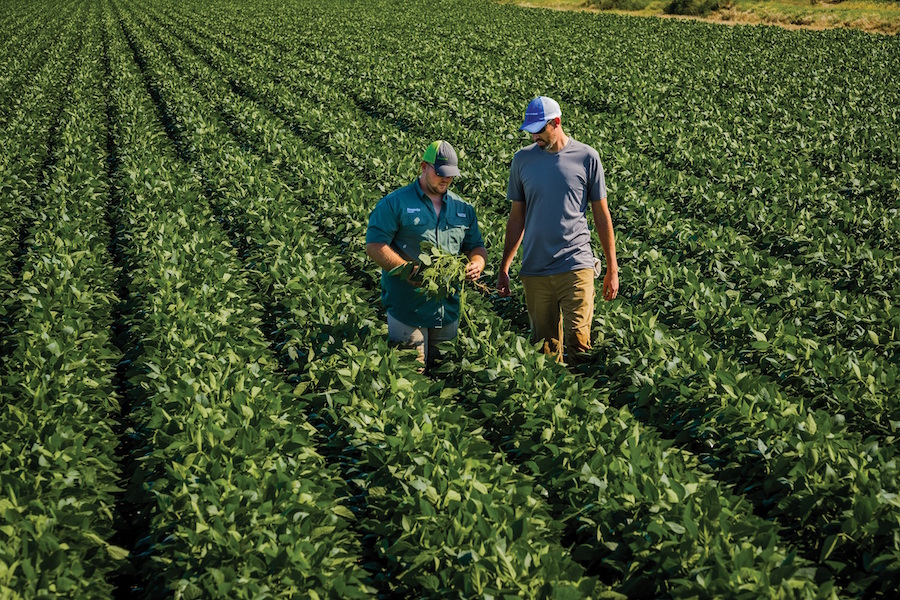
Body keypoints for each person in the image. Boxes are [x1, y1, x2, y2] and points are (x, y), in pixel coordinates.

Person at [496, 96, 619, 363]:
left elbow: (601, 215)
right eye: (530, 131)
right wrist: (504, 267)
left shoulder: (587, 157)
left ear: (556, 123)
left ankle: (583, 398)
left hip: (576, 263)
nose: (534, 137)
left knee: (580, 344)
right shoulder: (522, 161)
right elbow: (517, 217)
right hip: (535, 268)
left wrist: (612, 268)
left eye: (540, 130)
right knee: (546, 352)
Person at [366, 140, 487, 367]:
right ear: (423, 167)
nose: (446, 179)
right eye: (440, 173)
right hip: (408, 306)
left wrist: (477, 263)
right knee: (412, 374)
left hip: (447, 308)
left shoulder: (463, 209)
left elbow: (476, 246)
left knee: (444, 371)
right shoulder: (395, 203)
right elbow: (375, 245)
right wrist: (405, 269)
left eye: (451, 175)